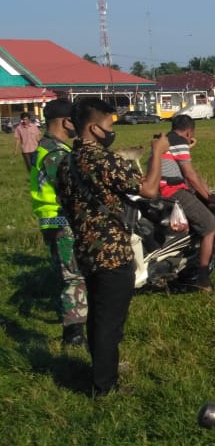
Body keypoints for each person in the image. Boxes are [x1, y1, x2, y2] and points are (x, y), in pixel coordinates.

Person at [56, 98, 170, 395]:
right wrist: (157, 153)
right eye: (109, 124)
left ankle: (100, 372)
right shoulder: (104, 161)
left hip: (85, 250)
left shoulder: (66, 163)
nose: (111, 130)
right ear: (94, 127)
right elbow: (148, 190)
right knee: (110, 322)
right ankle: (104, 386)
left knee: (97, 315)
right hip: (112, 252)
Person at [28, 99, 89, 345]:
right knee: (74, 276)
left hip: (53, 219)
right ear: (66, 122)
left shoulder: (45, 147)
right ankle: (73, 334)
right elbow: (71, 189)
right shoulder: (56, 153)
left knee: (67, 273)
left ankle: (71, 322)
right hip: (61, 220)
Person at [159, 115, 215, 291]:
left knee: (201, 200)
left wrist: (207, 194)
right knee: (210, 226)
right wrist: (210, 198)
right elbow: (190, 175)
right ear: (189, 131)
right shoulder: (179, 142)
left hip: (160, 189)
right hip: (171, 191)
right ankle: (203, 279)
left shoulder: (167, 140)